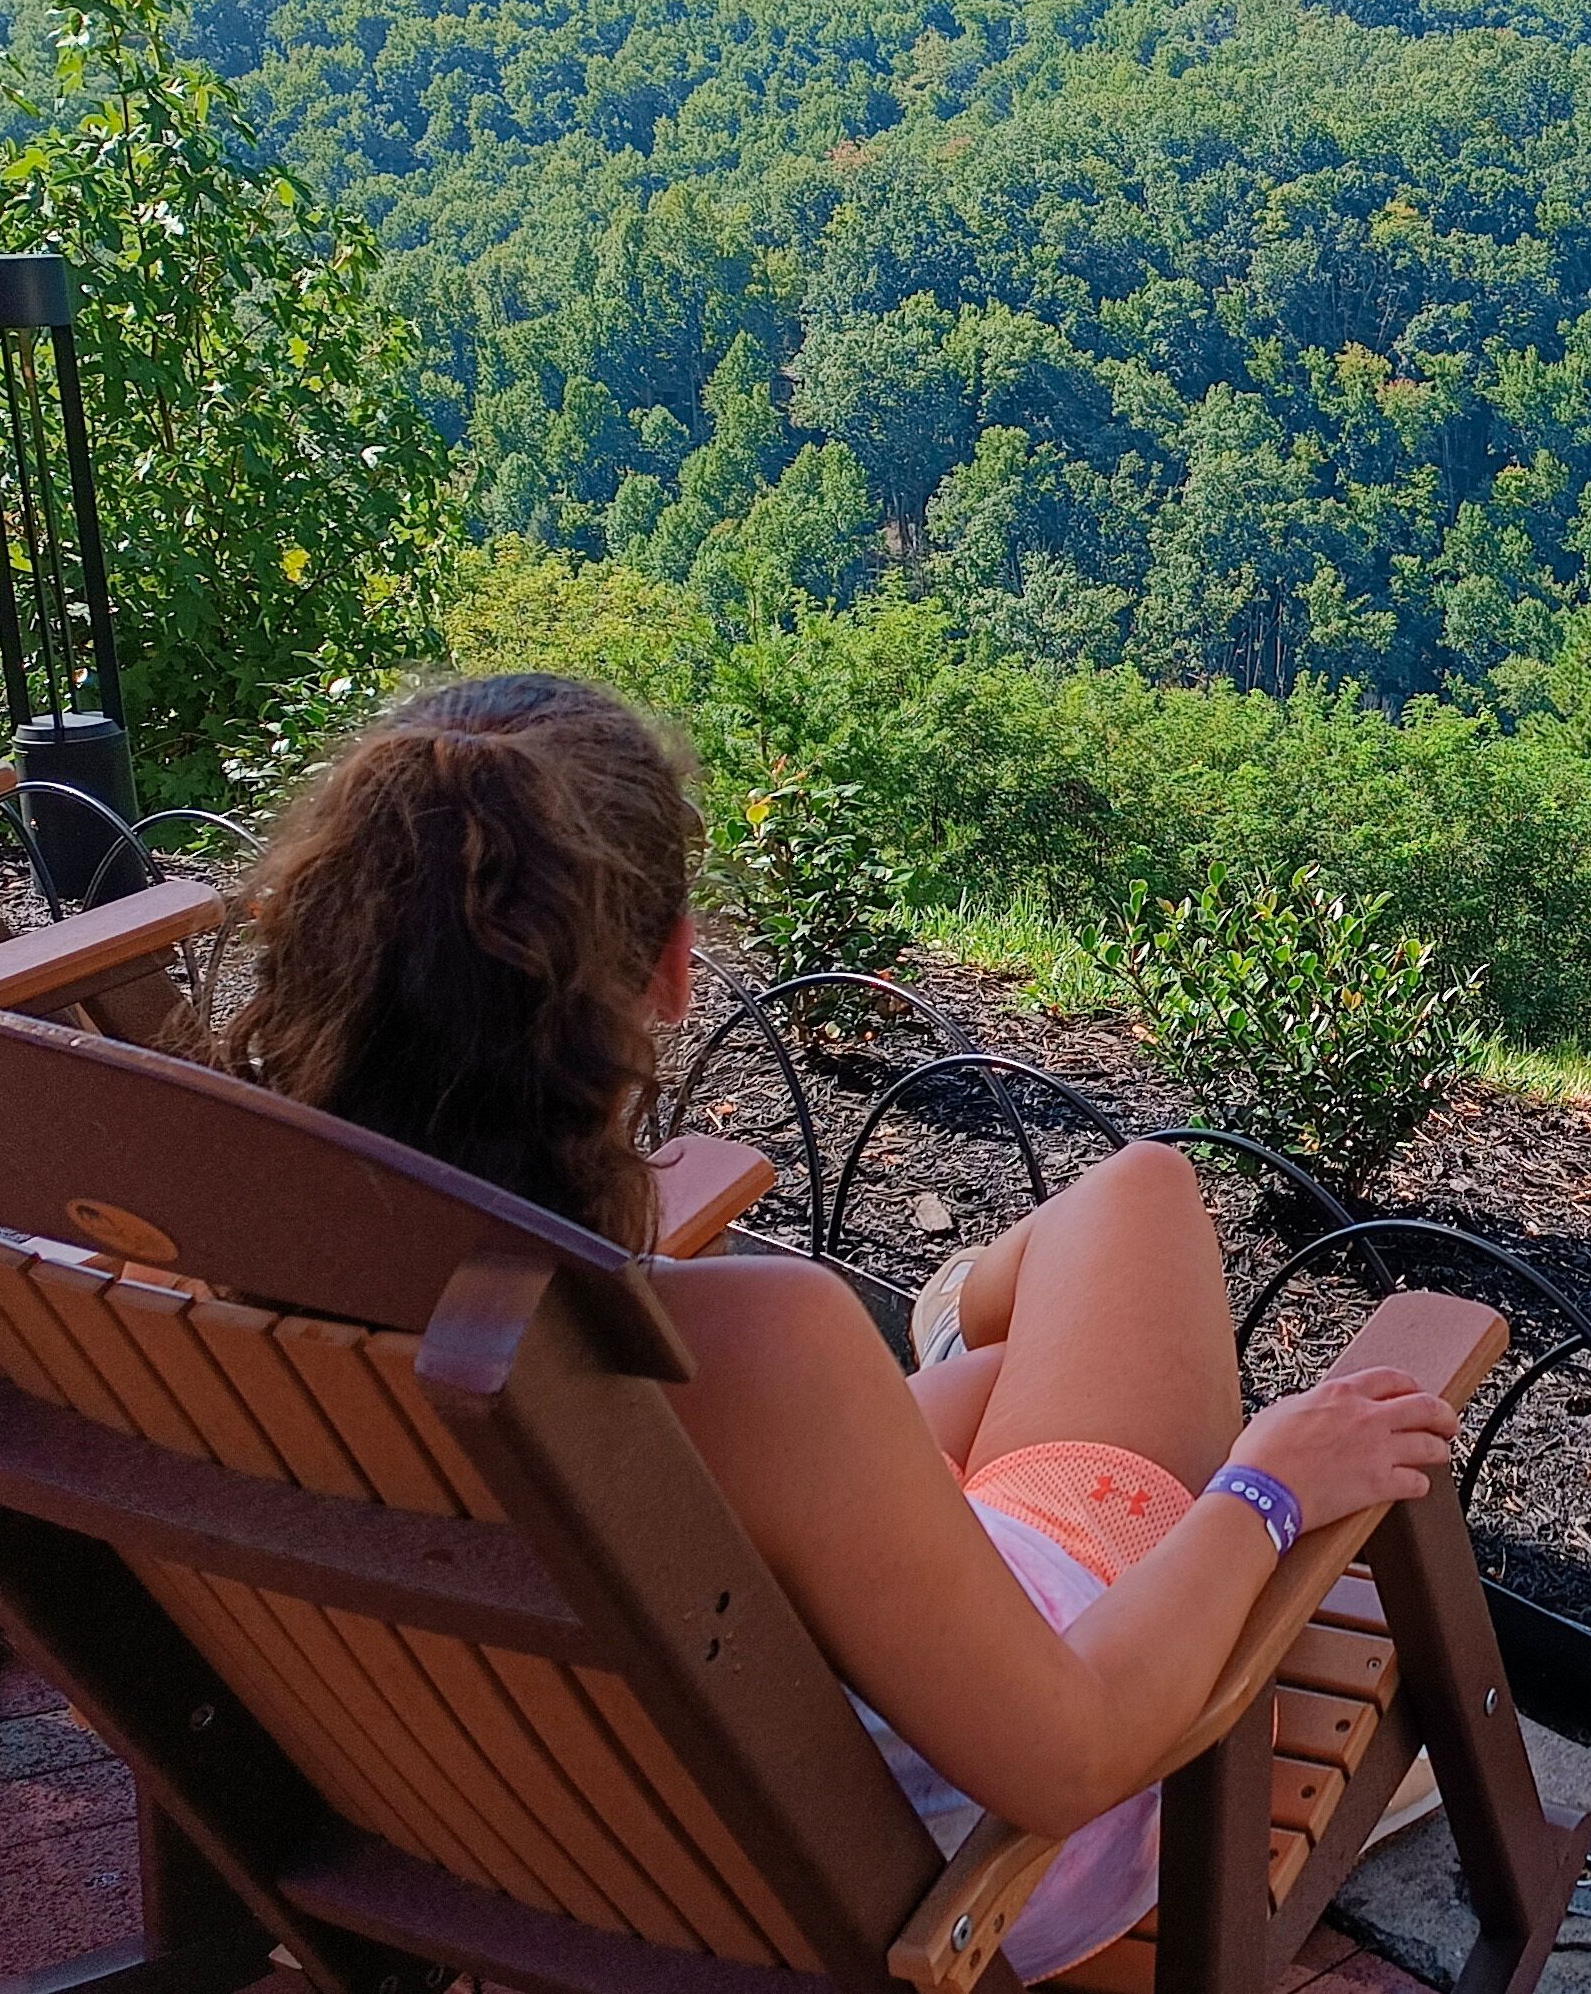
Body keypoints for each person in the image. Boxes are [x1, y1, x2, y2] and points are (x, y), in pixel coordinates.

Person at [221, 673, 1455, 1976]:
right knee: (1146, 1194)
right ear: (674, 967)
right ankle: (977, 1307)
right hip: (968, 1849)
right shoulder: (751, 1350)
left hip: (591, 1809)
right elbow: (1075, 1753)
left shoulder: (235, 1306)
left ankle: (975, 1326)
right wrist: (1266, 1487)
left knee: (1007, 1354)